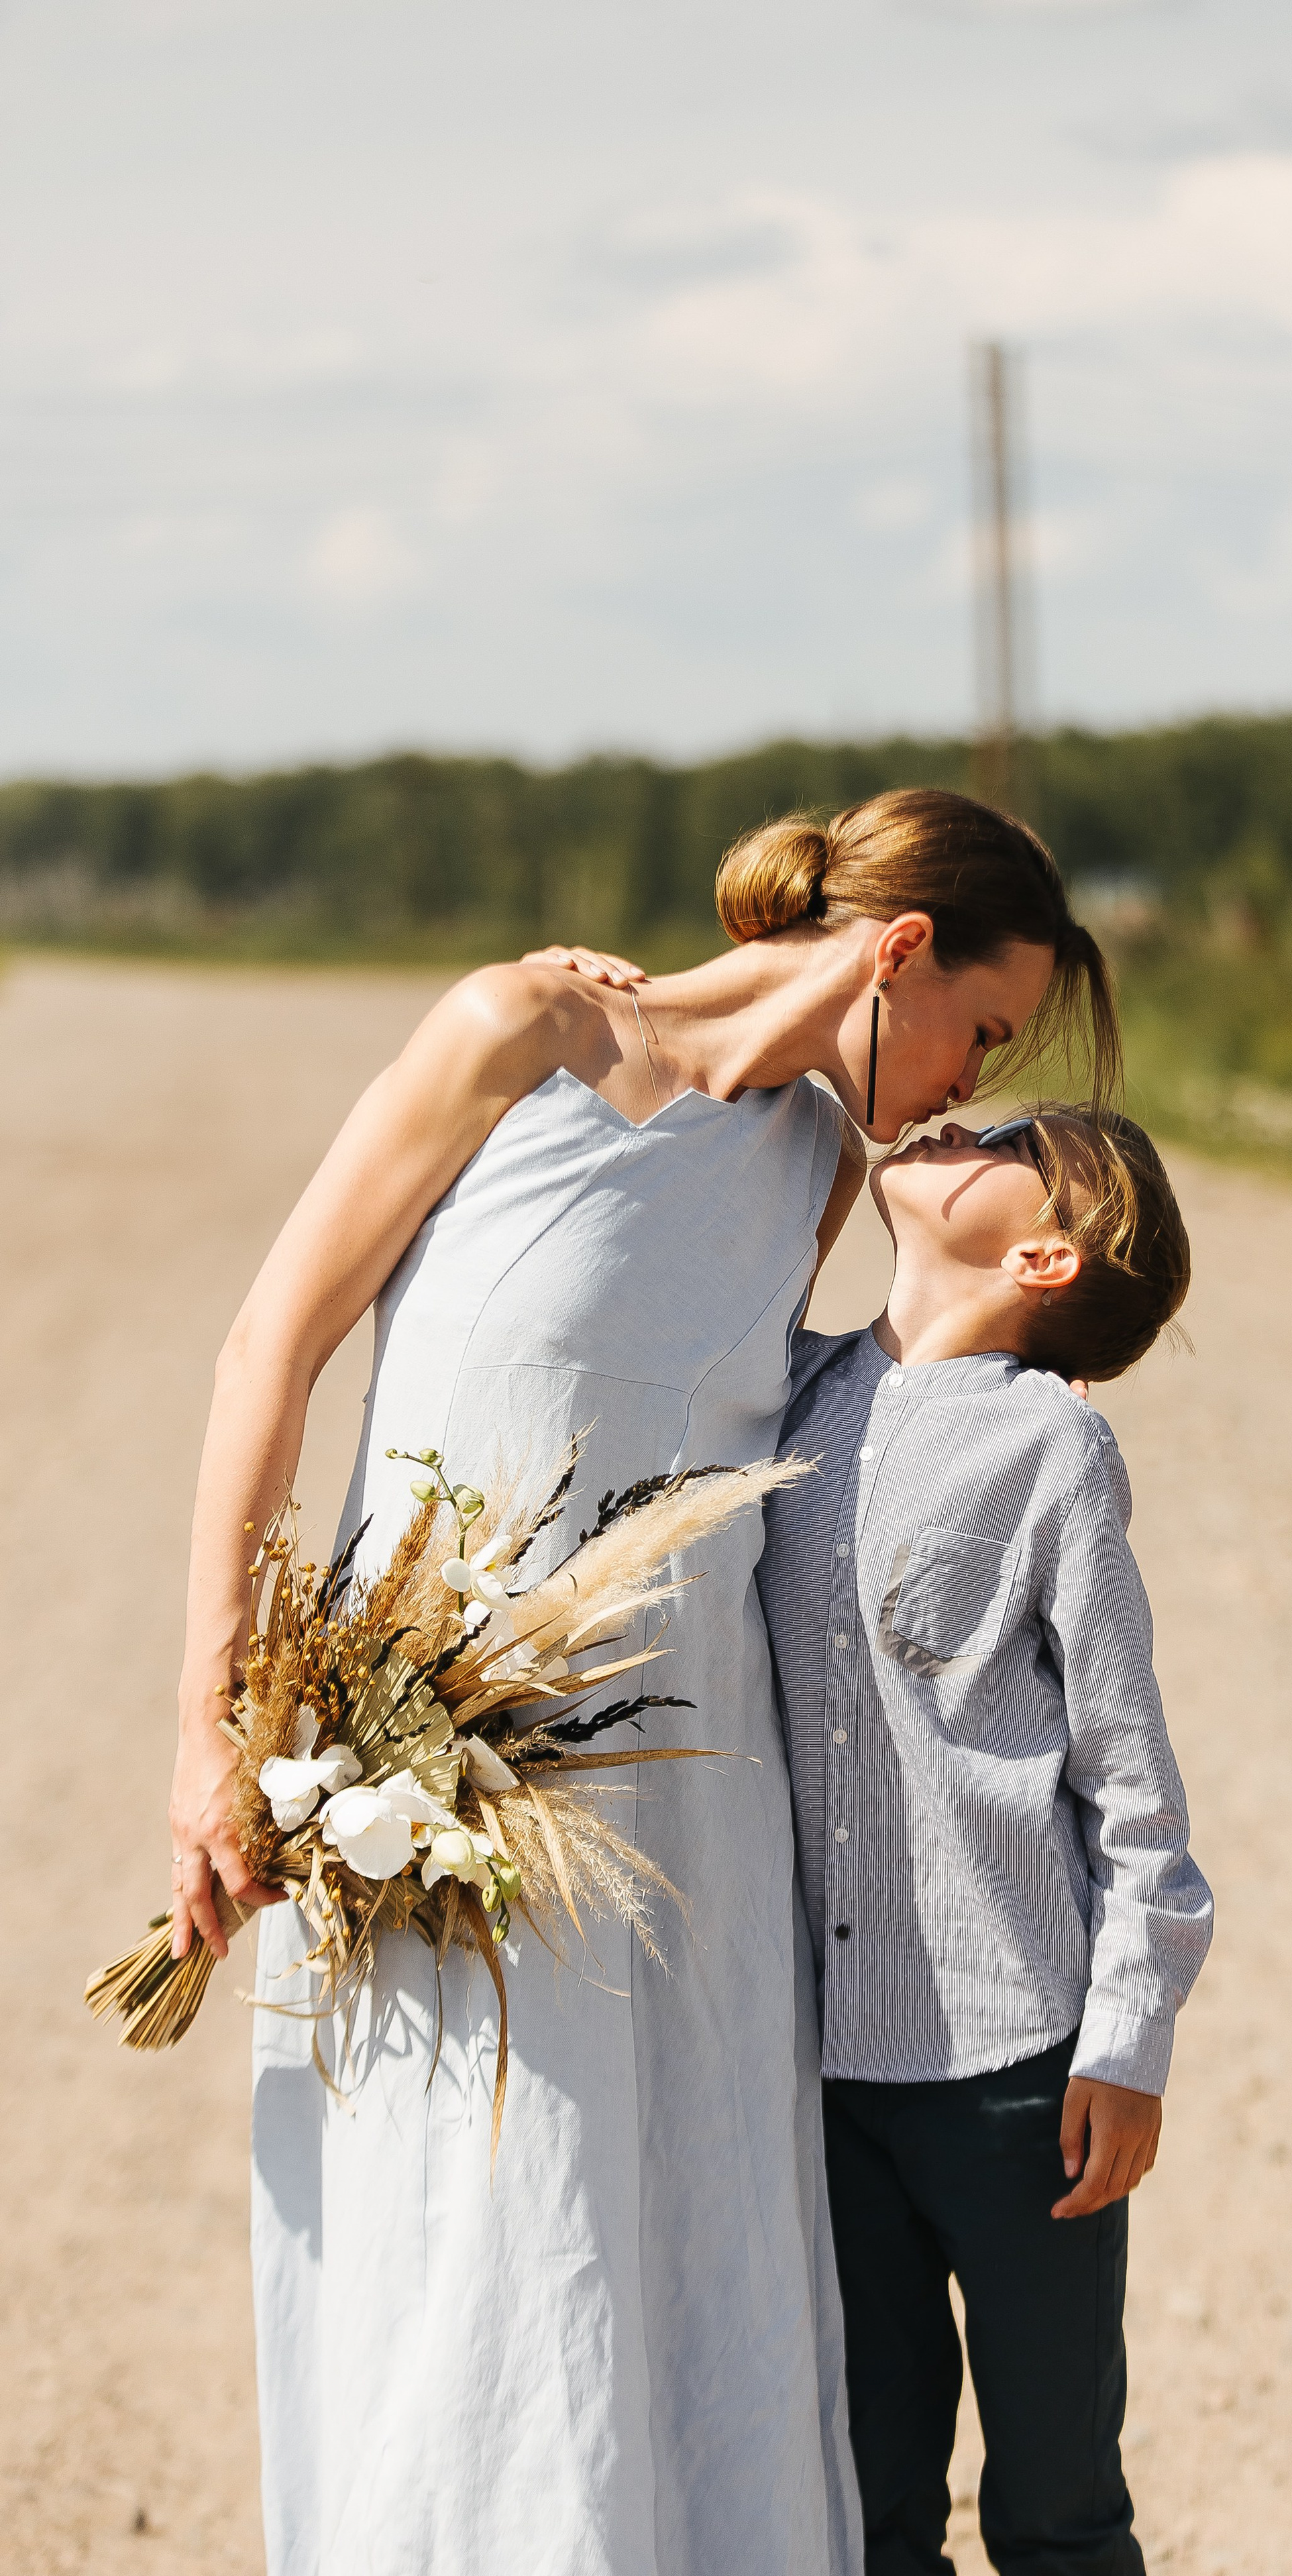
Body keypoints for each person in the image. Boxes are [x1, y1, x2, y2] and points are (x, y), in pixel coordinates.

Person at [164, 788, 1122, 2576]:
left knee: (677, 2288)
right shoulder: (515, 1029)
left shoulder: (833, 1169)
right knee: (465, 2263)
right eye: (983, 1026)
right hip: (434, 1777)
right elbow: (268, 1348)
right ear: (898, 948)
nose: (971, 1075)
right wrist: (215, 1731)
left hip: (694, 1821)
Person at [757, 1106, 1215, 2576]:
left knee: (1054, 2505)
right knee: (866, 2495)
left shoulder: (1048, 1451)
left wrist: (1126, 2043)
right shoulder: (785, 1395)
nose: (960, 1118)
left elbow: (1131, 1790)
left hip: (1021, 2084)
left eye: (1005, 1135)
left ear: (1042, 1251)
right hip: (824, 2079)